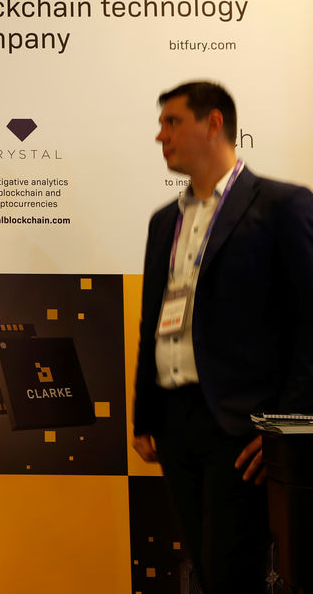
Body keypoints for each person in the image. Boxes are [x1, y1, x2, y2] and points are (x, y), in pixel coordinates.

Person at [132, 81, 313, 594]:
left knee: (234, 574)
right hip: (175, 423)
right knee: (209, 572)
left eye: (172, 122)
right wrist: (146, 415)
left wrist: (284, 429)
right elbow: (153, 320)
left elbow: (309, 322)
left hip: (240, 426)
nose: (160, 136)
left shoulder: (283, 205)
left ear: (213, 124)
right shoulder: (163, 221)